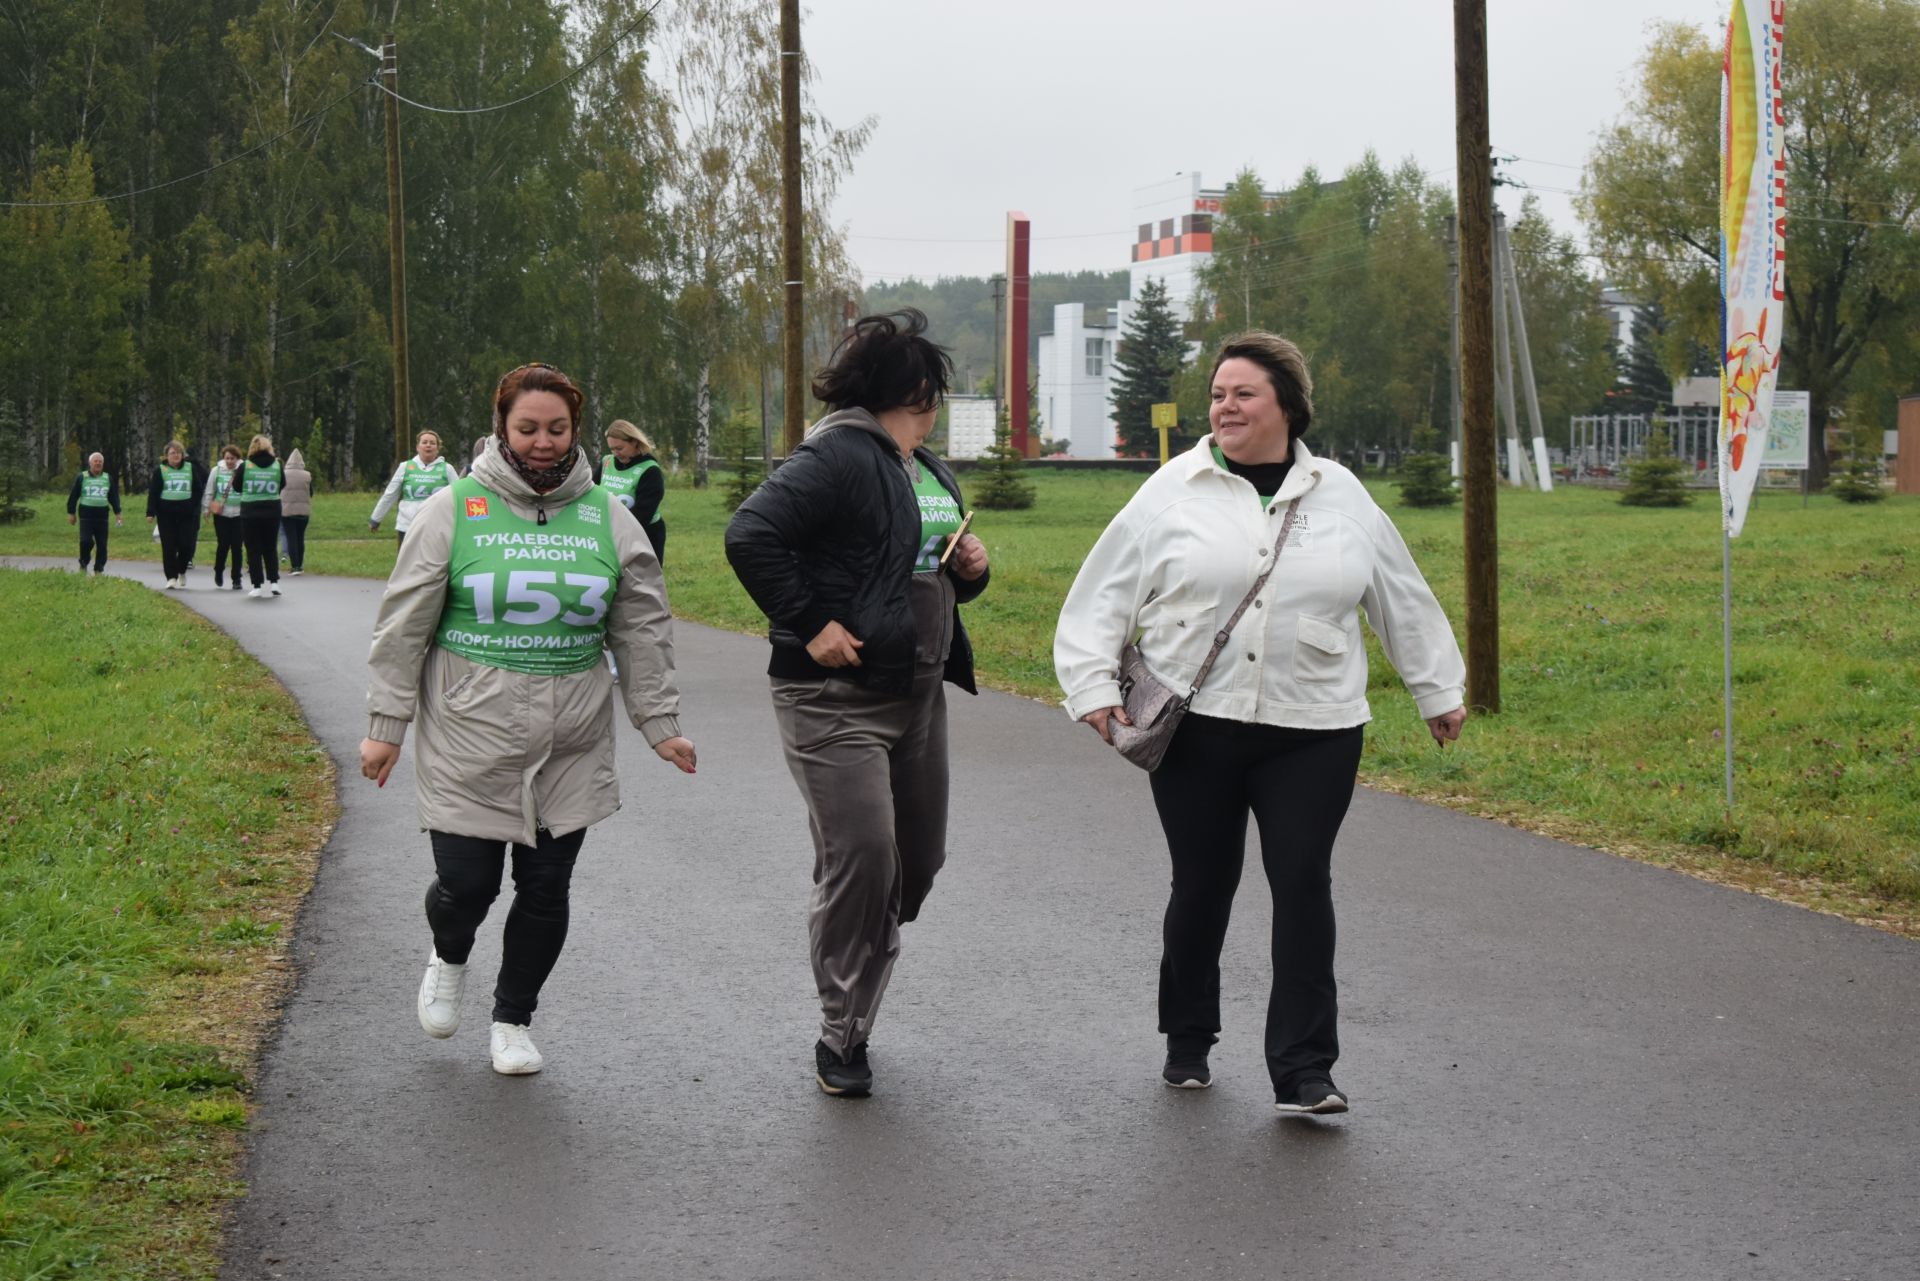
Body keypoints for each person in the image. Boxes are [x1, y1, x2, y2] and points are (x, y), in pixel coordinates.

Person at [1053, 332, 1467, 1117]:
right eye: (1218, 393)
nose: (1225, 406)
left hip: (1314, 725)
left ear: (1288, 404)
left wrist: (1437, 687)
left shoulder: (1342, 493)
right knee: (1203, 885)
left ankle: (1306, 1068)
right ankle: (1188, 1037)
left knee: (1304, 882)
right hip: (1197, 726)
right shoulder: (1175, 489)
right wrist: (1091, 683)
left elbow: (1399, 594)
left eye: (1243, 393)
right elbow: (1102, 591)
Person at [359, 362, 695, 1077]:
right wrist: (386, 727)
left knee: (545, 890)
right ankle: (449, 957)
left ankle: (513, 1016)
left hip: (570, 739)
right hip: (468, 734)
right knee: (468, 886)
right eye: (527, 428)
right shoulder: (453, 508)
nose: (543, 443)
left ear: (576, 430)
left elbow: (641, 624)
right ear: (501, 427)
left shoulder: (607, 513)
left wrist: (658, 720)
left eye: (557, 428)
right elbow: (402, 626)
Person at [724, 309, 990, 1099]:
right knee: (866, 858)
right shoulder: (839, 454)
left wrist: (968, 568)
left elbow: (914, 563)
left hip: (918, 694)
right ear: (906, 389)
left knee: (918, 863)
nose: (935, 405)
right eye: (930, 391)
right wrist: (811, 624)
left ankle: (859, 918)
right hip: (834, 700)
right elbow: (751, 533)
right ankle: (843, 1031)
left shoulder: (924, 465)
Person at [593, 419, 667, 565]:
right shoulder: (607, 462)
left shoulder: (650, 470)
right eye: (612, 449)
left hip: (643, 535)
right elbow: (591, 492)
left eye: (620, 448)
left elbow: (643, 514)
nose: (616, 454)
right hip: (608, 534)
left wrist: (612, 530)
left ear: (634, 442)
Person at [370, 430, 456, 545]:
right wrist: (376, 519)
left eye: (432, 443)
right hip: (407, 525)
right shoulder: (405, 467)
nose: (428, 445)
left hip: (437, 526)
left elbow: (459, 495)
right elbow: (390, 495)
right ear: (418, 447)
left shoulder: (447, 469)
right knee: (407, 561)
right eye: (424, 442)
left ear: (437, 449)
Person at [145, 441, 209, 588]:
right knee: (169, 546)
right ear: (167, 456)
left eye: (178, 453)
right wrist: (151, 512)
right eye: (172, 453)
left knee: (186, 545)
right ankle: (171, 577)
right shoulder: (160, 470)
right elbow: (154, 492)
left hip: (187, 513)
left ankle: (181, 570)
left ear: (182, 455)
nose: (176, 456)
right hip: (166, 513)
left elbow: (198, 489)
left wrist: (192, 506)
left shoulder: (190, 468)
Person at [229, 434, 285, 598]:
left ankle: (257, 585)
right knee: (270, 547)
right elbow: (283, 483)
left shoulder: (245, 466)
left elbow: (237, 486)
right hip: (272, 510)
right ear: (269, 448)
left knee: (253, 548)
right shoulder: (276, 465)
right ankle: (274, 582)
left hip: (250, 512)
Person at [67, 452, 122, 574]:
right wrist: (71, 512)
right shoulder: (82, 477)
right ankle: (84, 561)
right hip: (86, 515)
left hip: (102, 516)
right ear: (90, 463)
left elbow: (113, 496)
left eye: (100, 462)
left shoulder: (107, 478)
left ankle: (99, 568)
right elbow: (74, 496)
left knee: (102, 545)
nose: (98, 463)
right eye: (95, 461)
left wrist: (118, 512)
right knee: (85, 541)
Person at [207, 445, 245, 591]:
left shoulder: (243, 470)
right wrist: (206, 508)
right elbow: (210, 490)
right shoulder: (216, 471)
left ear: (237, 458)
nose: (230, 461)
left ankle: (237, 578)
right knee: (223, 545)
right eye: (227, 458)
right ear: (224, 458)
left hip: (239, 514)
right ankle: (218, 570)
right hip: (222, 514)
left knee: (237, 547)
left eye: (232, 458)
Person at [280, 447, 313, 575]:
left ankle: (295, 566)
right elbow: (311, 492)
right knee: (300, 538)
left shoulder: (283, 473)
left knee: (291, 538)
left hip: (287, 511)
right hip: (304, 512)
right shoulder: (307, 475)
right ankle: (300, 565)